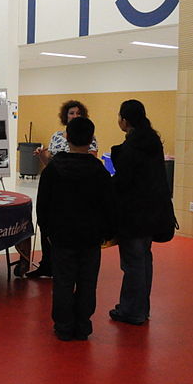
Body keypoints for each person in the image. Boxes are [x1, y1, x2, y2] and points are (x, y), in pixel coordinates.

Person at [36, 117, 115, 341]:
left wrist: (47, 231)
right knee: (88, 281)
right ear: (91, 140)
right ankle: (82, 325)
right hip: (91, 237)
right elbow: (109, 206)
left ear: (67, 137)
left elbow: (43, 205)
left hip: (61, 236)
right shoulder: (99, 172)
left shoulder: (53, 170)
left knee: (62, 281)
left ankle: (63, 325)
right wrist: (106, 233)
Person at [109, 99, 173, 326]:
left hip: (134, 214)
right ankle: (141, 308)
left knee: (133, 263)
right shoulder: (153, 142)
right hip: (153, 212)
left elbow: (124, 181)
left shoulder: (132, 147)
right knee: (144, 260)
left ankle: (131, 311)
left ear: (125, 120)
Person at [28, 100, 99, 279]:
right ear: (65, 116)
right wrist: (43, 156)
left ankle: (68, 267)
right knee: (49, 227)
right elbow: (49, 165)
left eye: (78, 113)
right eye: (71, 113)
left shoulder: (89, 137)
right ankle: (47, 264)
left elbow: (90, 161)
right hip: (57, 187)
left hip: (78, 189)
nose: (75, 116)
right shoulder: (56, 136)